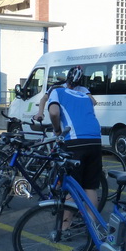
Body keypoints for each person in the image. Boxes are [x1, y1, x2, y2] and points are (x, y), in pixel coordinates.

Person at [46, 65, 103, 210]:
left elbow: (54, 113)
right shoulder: (85, 96)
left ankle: (66, 224)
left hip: (75, 140)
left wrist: (57, 130)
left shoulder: (56, 91)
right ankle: (92, 223)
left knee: (71, 187)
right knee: (90, 187)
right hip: (95, 140)